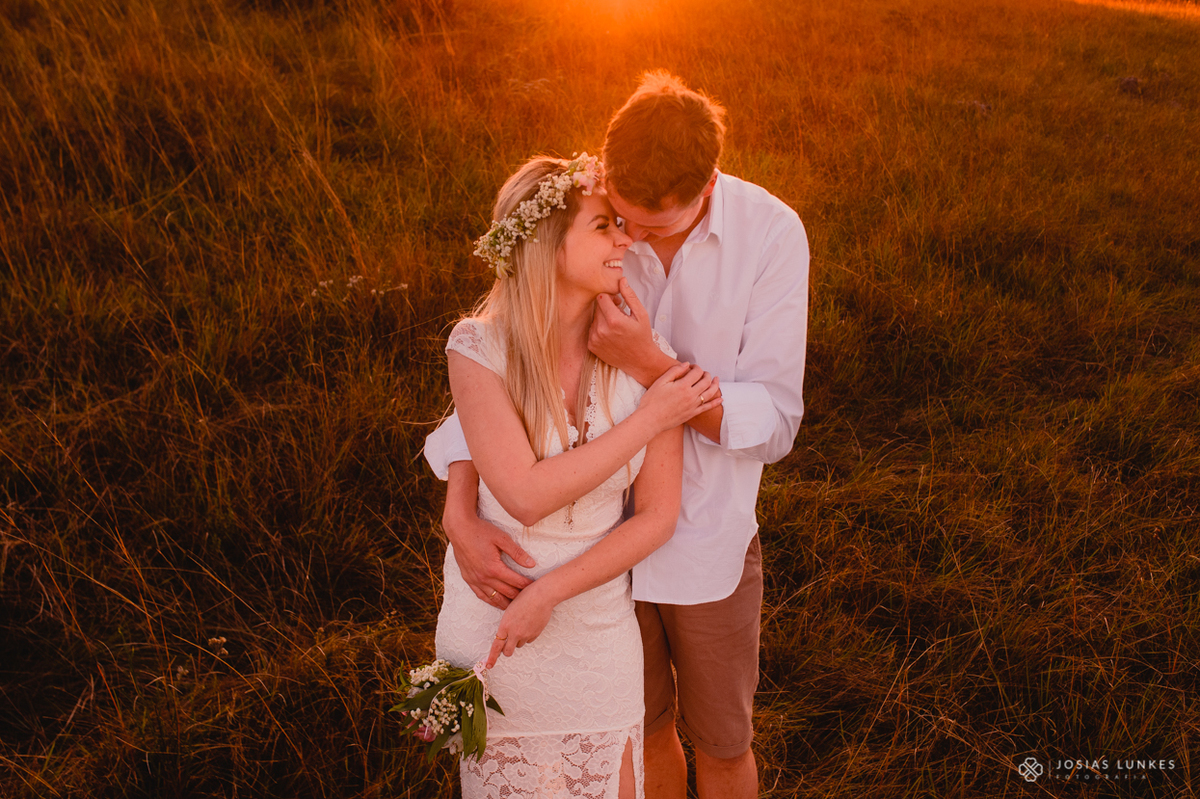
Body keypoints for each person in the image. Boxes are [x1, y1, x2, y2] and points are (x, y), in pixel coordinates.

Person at [429, 73, 809, 798]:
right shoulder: (589, 207)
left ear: (707, 185)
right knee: (639, 728)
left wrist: (651, 367)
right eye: (619, 221)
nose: (628, 238)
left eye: (648, 228)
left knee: (723, 740)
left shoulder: (771, 235)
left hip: (702, 538)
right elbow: (503, 363)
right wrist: (460, 502)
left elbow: (775, 420)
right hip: (597, 553)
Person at [430, 153, 722, 799]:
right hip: (498, 625)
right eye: (603, 226)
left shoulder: (643, 356)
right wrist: (652, 418)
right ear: (546, 243)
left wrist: (552, 591)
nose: (625, 239)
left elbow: (657, 515)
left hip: (596, 634)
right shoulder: (477, 347)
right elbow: (525, 495)